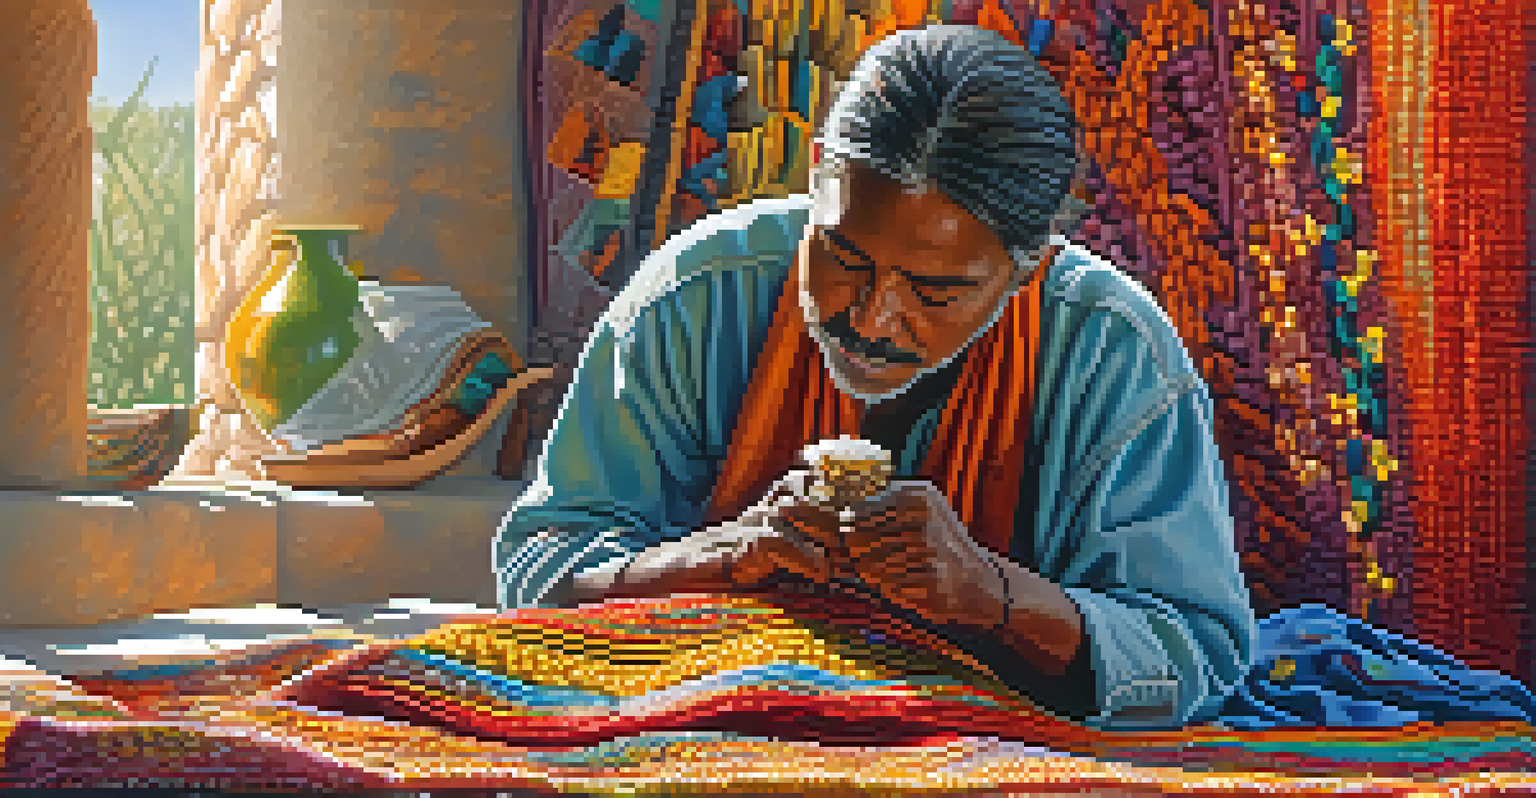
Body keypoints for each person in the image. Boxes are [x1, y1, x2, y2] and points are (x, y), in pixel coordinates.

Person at [495, 24, 1256, 731]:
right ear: (820, 174)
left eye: (936, 292)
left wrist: (995, 598)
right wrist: (718, 557)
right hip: (716, 734)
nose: (872, 318)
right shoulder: (697, 295)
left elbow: (1199, 648)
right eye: (844, 259)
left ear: (1028, 268)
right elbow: (541, 562)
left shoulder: (1111, 351)